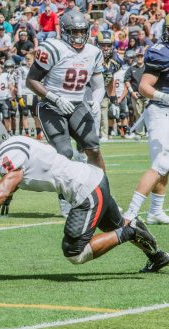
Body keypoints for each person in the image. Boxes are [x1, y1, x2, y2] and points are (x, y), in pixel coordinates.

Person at [0, 117, 169, 273]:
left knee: (75, 252)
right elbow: (24, 172)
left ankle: (131, 230)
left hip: (85, 191)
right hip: (93, 178)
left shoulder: (5, 156)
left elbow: (10, 181)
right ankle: (156, 255)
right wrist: (6, 195)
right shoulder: (17, 141)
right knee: (114, 227)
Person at [26, 11, 106, 217]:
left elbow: (98, 85)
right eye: (74, 32)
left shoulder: (94, 52)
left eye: (82, 31)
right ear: (64, 31)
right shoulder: (53, 48)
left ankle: (104, 196)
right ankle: (65, 200)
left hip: (77, 105)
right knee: (64, 152)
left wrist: (96, 100)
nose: (79, 36)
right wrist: (55, 97)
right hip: (52, 106)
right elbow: (31, 80)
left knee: (94, 149)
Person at [124, 11, 169, 225]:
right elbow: (144, 86)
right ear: (166, 31)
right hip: (160, 111)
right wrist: (163, 95)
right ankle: (130, 214)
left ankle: (156, 212)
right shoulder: (161, 52)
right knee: (160, 163)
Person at [96, 30, 124, 141]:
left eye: (109, 45)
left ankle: (103, 135)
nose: (106, 48)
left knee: (103, 111)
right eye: (103, 45)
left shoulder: (116, 62)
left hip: (102, 91)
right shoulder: (91, 58)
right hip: (87, 91)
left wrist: (114, 101)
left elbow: (110, 78)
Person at [10, 52, 42, 139]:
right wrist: (19, 94)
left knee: (36, 115)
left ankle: (38, 133)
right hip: (24, 93)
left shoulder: (37, 69)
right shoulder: (21, 69)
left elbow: (40, 82)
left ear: (33, 60)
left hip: (34, 93)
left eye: (30, 60)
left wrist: (40, 94)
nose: (28, 62)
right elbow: (19, 82)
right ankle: (27, 133)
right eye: (26, 60)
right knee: (25, 113)